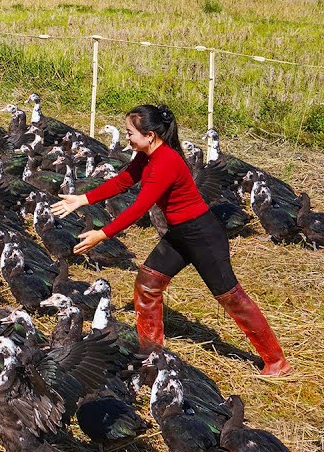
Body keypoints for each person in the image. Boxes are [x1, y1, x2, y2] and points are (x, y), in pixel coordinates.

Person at [50, 104, 290, 376]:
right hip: (180, 234)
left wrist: (102, 234)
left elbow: (138, 208)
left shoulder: (165, 162)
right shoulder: (147, 156)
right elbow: (123, 181)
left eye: (130, 133)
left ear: (150, 135)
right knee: (148, 285)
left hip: (202, 236)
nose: (127, 137)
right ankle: (151, 355)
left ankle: (276, 361)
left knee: (231, 297)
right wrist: (82, 198)